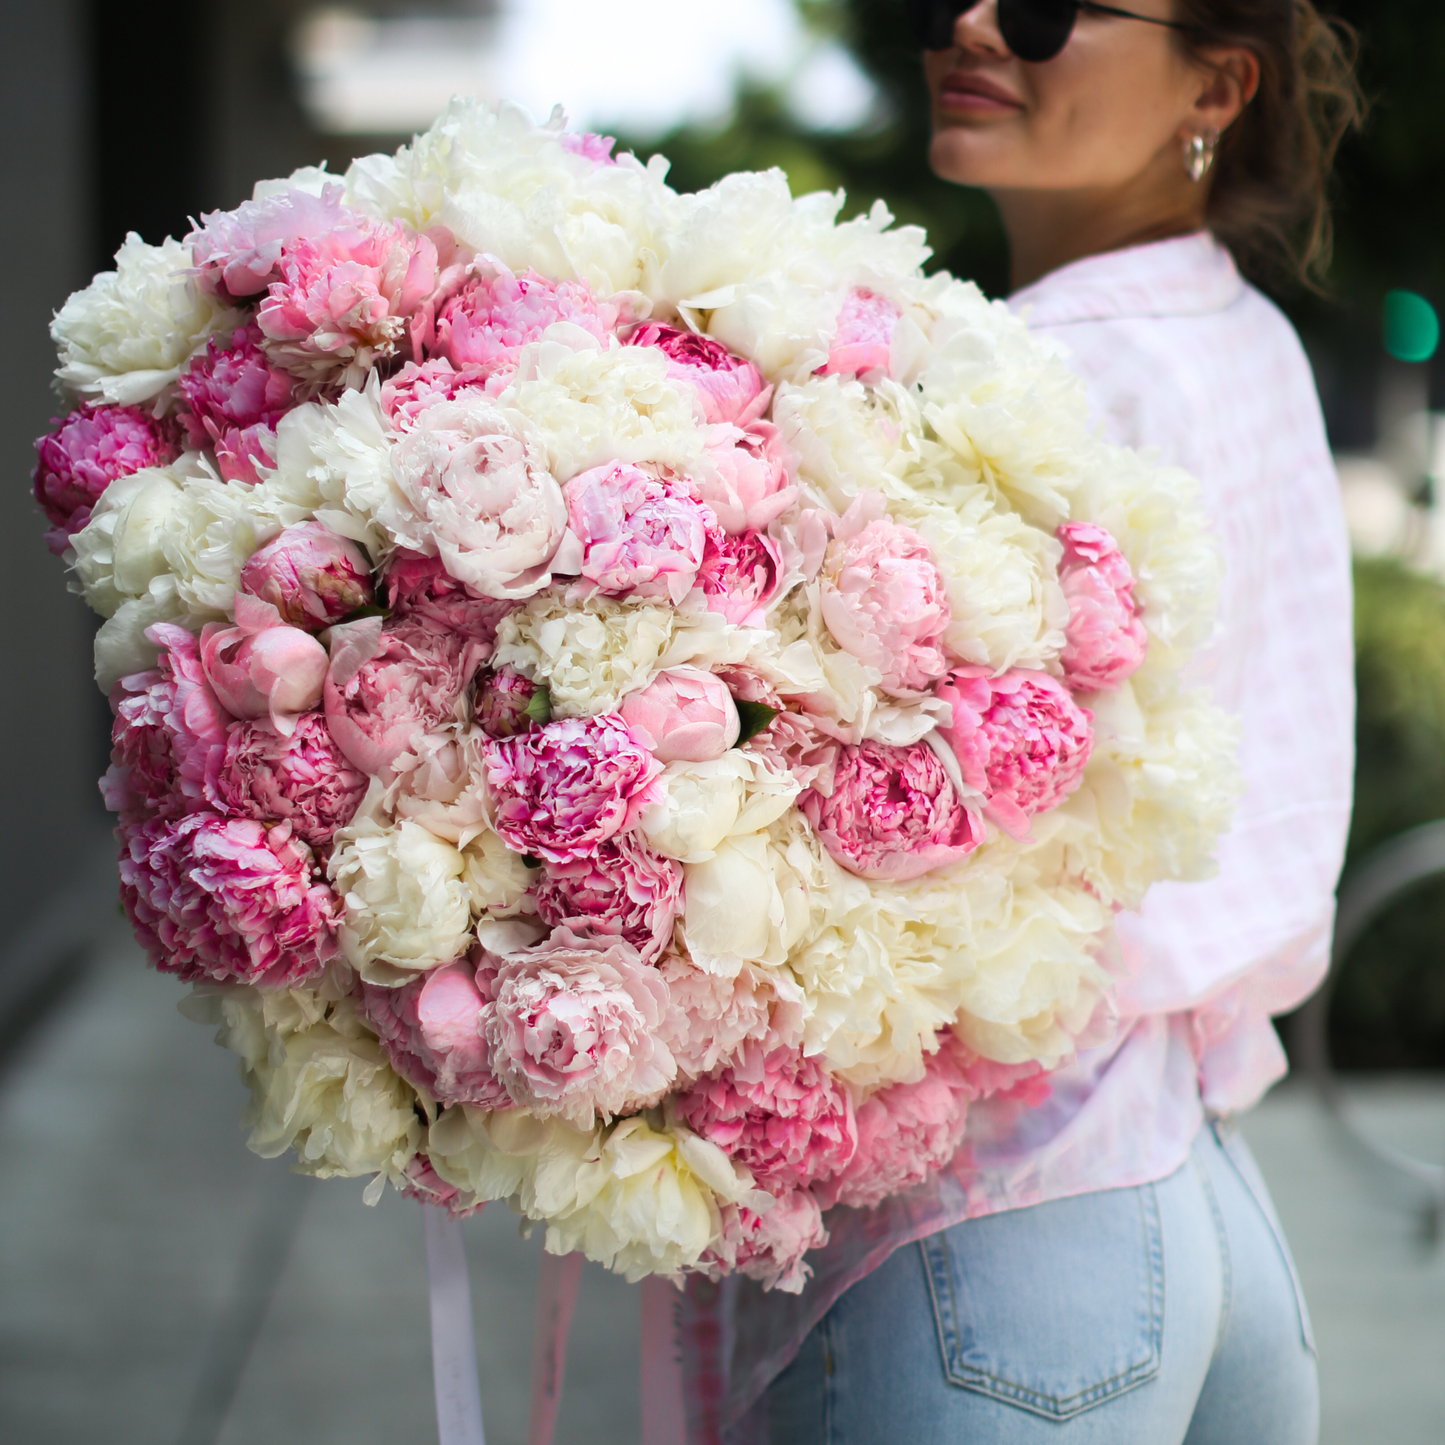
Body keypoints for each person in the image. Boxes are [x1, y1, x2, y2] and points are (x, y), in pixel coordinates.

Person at [720, 3, 1364, 1441]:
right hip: (1191, 1190)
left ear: (1218, 82)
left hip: (994, 1233)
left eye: (1053, 5)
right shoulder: (1234, 328)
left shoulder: (1035, 373)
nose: (969, 23)